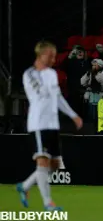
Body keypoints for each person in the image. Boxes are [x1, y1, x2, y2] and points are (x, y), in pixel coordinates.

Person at [17, 41, 83, 211]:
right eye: (51, 56)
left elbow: (58, 97)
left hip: (53, 125)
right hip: (38, 124)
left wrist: (73, 115)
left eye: (55, 56)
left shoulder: (52, 74)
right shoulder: (29, 74)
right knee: (43, 163)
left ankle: (24, 186)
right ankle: (48, 203)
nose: (54, 59)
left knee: (54, 165)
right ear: (41, 54)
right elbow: (43, 94)